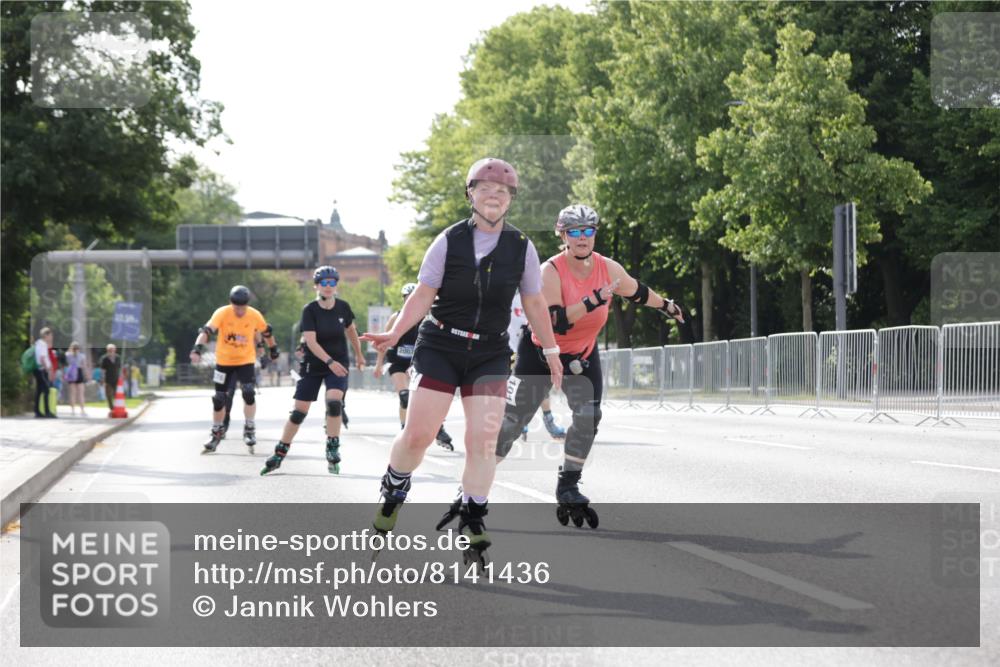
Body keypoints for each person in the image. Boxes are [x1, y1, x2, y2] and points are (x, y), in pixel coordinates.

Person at [362, 157, 562, 567]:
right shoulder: (448, 240)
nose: (494, 196)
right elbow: (421, 295)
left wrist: (552, 349)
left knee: (482, 441)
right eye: (486, 189)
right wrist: (395, 333)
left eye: (503, 191)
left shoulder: (521, 247)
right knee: (418, 435)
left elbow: (535, 300)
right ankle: (394, 488)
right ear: (470, 194)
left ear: (511, 200)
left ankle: (473, 514)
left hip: (489, 351)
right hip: (441, 345)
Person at [439, 204, 684, 530]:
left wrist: (667, 306)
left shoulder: (608, 269)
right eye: (575, 232)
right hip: (540, 354)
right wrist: (593, 301)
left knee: (590, 417)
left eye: (588, 231)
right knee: (510, 426)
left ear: (595, 233)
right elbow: (556, 323)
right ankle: (468, 492)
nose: (583, 238)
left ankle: (568, 484)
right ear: (563, 235)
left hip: (582, 355)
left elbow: (636, 291)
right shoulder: (549, 272)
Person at [261, 266, 364, 475]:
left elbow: (351, 331)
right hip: (313, 364)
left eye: (332, 282)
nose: (328, 286)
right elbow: (310, 341)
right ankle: (280, 451)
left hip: (339, 362)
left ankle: (332, 447)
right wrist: (329, 361)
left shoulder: (343, 307)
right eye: (323, 283)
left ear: (336, 285)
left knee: (334, 403)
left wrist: (359, 354)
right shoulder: (310, 310)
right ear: (316, 286)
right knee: (299, 412)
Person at [189, 285, 279, 454]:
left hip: (245, 361)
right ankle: (216, 433)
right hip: (224, 362)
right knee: (219, 398)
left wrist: (273, 349)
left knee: (249, 392)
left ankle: (249, 428)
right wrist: (197, 349)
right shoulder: (222, 313)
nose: (239, 311)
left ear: (247, 304)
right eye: (236, 307)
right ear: (231, 303)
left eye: (242, 307)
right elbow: (207, 331)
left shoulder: (254, 314)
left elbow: (267, 332)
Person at [373, 282, 455, 450]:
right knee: (404, 397)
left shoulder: (429, 319)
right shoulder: (396, 318)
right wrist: (378, 364)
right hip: (397, 361)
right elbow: (384, 342)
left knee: (428, 400)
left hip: (417, 363)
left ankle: (438, 428)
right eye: (406, 298)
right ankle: (404, 429)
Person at [508, 290, 566, 441]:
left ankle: (549, 423)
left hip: (530, 347)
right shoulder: (507, 296)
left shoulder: (533, 296)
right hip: (508, 348)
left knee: (541, 389)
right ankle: (518, 420)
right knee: (513, 389)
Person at [32, 327, 56, 418]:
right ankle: (47, 412)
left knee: (39, 391)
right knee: (46, 390)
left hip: (38, 369)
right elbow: (42, 358)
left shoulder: (40, 344)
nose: (51, 337)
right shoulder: (42, 344)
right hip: (41, 370)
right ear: (46, 335)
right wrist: (47, 369)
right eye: (50, 335)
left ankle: (37, 411)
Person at [64, 341, 89, 417]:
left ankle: (73, 410)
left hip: (71, 372)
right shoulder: (82, 356)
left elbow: (67, 362)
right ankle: (82, 410)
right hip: (79, 372)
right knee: (81, 393)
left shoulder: (68, 355)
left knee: (72, 393)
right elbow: (84, 366)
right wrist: (87, 374)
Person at [98, 344, 121, 413]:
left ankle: (117, 406)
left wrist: (121, 376)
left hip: (116, 378)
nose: (111, 351)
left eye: (112, 350)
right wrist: (102, 378)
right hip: (108, 378)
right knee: (108, 394)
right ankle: (111, 408)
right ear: (107, 350)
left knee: (116, 394)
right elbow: (102, 370)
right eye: (109, 350)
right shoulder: (104, 358)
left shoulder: (118, 357)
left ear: (115, 350)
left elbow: (120, 367)